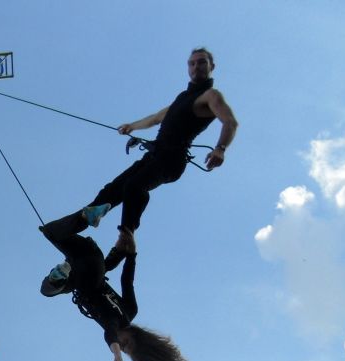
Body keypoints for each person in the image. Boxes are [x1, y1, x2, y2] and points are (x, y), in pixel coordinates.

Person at [59, 47, 239, 234]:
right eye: (192, 63)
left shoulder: (211, 96)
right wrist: (132, 126)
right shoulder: (183, 97)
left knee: (133, 186)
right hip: (156, 154)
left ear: (212, 66)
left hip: (172, 159)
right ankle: (84, 218)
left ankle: (126, 235)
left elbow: (230, 122)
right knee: (113, 188)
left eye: (202, 62)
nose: (196, 67)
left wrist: (220, 148)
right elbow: (156, 118)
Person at [39, 211, 187, 361]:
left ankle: (60, 274)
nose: (120, 343)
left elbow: (126, 281)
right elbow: (111, 324)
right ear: (135, 334)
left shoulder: (130, 311)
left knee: (50, 242)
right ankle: (85, 222)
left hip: (84, 269)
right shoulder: (120, 318)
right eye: (125, 342)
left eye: (124, 349)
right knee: (54, 240)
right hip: (91, 270)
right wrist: (116, 354)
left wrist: (128, 253)